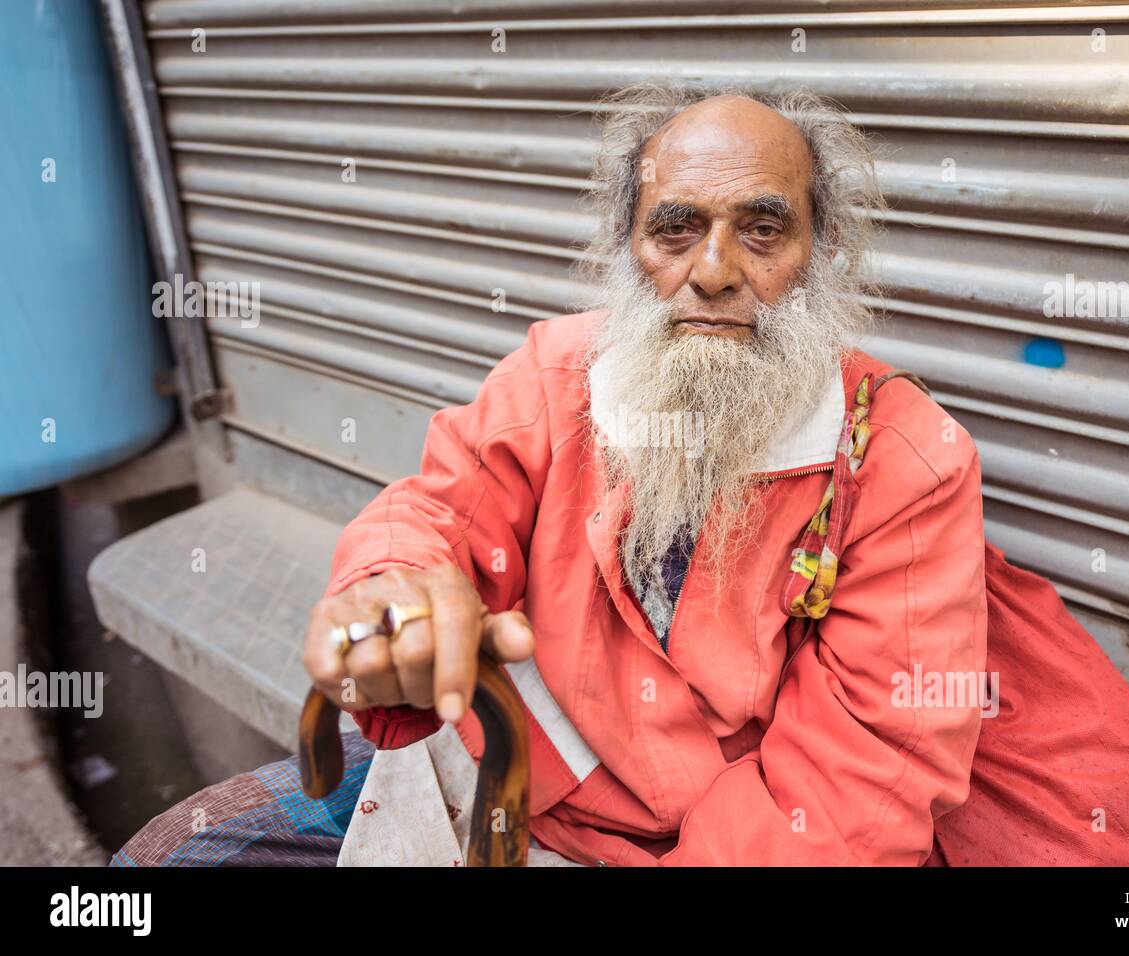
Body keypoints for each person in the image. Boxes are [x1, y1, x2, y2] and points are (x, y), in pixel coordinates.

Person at [115, 83, 992, 867]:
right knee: (172, 860)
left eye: (763, 230)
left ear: (821, 252)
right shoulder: (560, 370)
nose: (716, 272)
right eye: (675, 229)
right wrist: (398, 591)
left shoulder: (908, 460)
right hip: (516, 772)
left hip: (722, 841)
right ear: (629, 247)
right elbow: (437, 511)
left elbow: (854, 794)